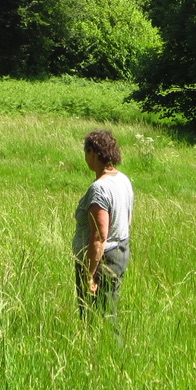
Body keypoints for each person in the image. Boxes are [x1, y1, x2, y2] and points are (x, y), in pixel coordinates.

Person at [73, 130, 134, 323]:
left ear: (92, 153)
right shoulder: (122, 179)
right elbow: (128, 219)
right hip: (120, 252)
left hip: (102, 261)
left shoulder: (99, 188)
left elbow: (99, 236)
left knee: (97, 317)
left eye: (86, 152)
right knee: (107, 310)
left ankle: (106, 351)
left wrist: (90, 273)